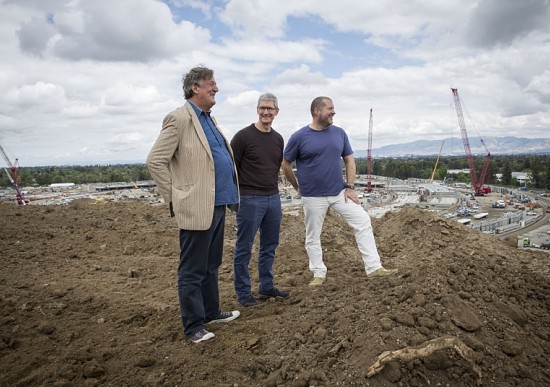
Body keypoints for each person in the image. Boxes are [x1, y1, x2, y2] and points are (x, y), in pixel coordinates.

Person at [146, 66, 240, 344]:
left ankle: (211, 312)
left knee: (211, 264)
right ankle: (193, 325)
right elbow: (155, 161)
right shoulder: (179, 119)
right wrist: (176, 197)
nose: (216, 88)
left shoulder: (208, 119)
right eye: (211, 84)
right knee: (192, 269)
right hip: (197, 206)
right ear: (194, 88)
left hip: (219, 203)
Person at [282, 96, 398, 286]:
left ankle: (374, 268)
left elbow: (349, 160)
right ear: (316, 111)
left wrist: (350, 186)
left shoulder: (339, 133)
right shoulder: (299, 137)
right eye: (330, 108)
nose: (333, 112)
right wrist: (297, 187)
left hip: (339, 193)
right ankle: (318, 273)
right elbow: (285, 163)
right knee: (313, 235)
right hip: (312, 197)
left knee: (362, 221)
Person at [230, 93, 290, 307]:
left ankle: (266, 287)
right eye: (263, 108)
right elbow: (231, 169)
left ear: (276, 112)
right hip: (249, 199)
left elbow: (274, 167)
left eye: (270, 109)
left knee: (269, 245)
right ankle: (244, 294)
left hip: (273, 198)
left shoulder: (278, 139)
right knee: (244, 247)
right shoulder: (242, 137)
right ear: (257, 110)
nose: (266, 112)